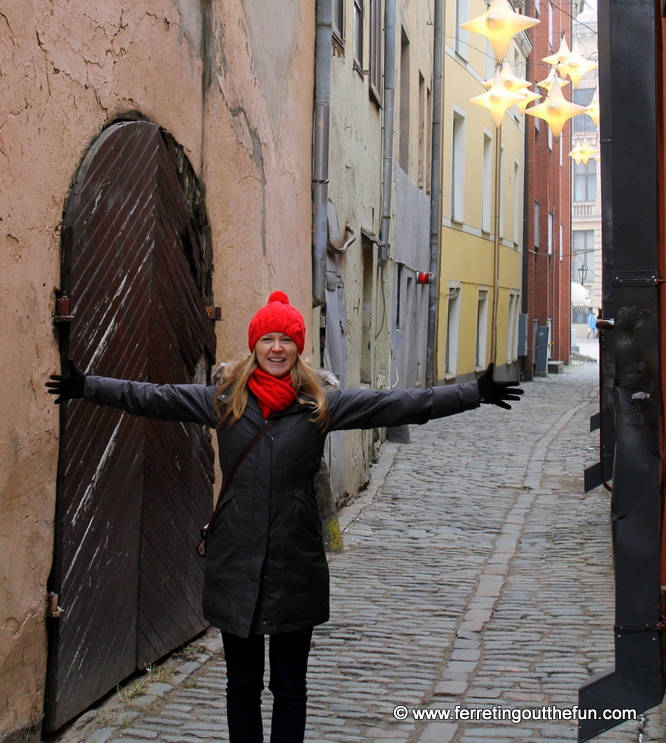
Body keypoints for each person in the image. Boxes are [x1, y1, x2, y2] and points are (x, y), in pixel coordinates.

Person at [47, 290, 523, 743]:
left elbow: (396, 404)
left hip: (296, 561)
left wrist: (471, 394)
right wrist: (85, 385)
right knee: (242, 686)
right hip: (235, 559)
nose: (277, 348)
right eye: (268, 339)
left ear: (298, 347)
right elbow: (152, 396)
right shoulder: (225, 400)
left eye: (287, 340)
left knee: (290, 687)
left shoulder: (320, 405)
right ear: (255, 346)